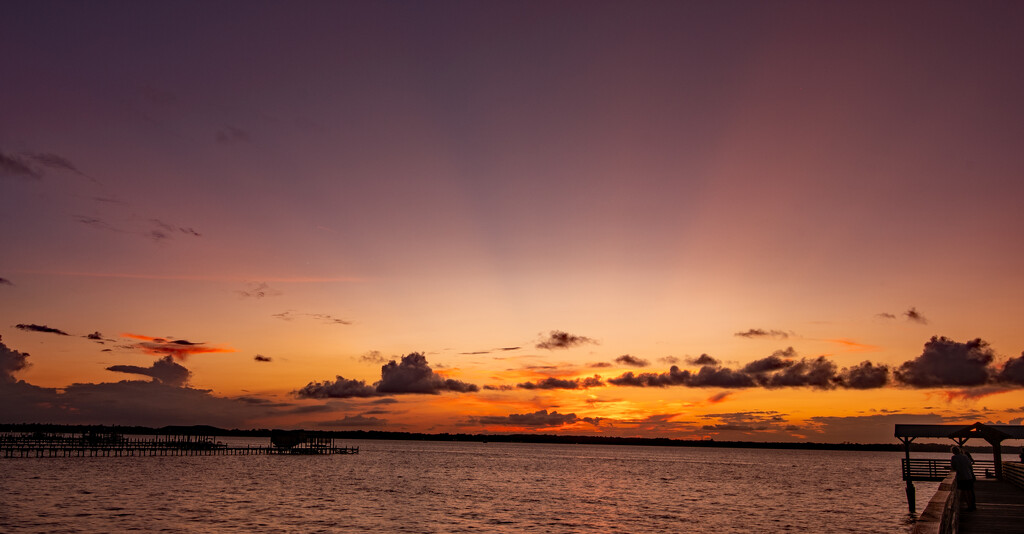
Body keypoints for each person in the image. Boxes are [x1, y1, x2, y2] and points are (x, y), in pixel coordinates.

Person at [950, 446, 977, 511]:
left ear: (953, 452)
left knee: (964, 492)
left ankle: (969, 506)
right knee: (969, 491)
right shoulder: (965, 456)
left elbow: (953, 467)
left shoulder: (954, 457)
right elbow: (970, 466)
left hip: (962, 477)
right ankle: (972, 505)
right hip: (969, 476)